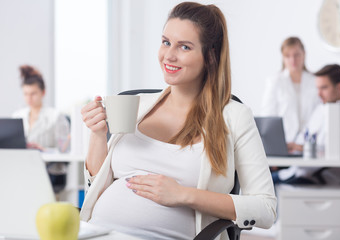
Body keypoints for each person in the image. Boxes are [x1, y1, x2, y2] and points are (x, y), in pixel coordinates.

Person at [80, 2, 276, 240]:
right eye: (165, 42)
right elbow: (96, 186)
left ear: (210, 56)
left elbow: (265, 210)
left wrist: (183, 195)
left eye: (184, 46)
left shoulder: (234, 116)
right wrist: (98, 134)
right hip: (99, 232)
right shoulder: (137, 104)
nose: (169, 55)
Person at [273, 64, 340, 185]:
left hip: (320, 176)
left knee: (265, 185)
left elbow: (336, 151)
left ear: (339, 87)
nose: (319, 94)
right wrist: (290, 149)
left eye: (324, 88)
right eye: (317, 88)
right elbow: (304, 137)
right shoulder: (321, 108)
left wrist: (299, 147)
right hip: (299, 169)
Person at [12, 65, 70, 193]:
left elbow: (65, 149)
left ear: (43, 93)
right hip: (24, 169)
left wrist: (45, 150)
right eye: (26, 94)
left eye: (33, 93)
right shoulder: (17, 116)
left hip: (50, 172)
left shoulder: (56, 116)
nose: (29, 98)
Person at [261, 37, 320, 149]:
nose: (293, 60)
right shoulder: (274, 82)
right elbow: (268, 118)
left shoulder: (316, 81)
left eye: (297, 55)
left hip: (309, 145)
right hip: (283, 145)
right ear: (283, 58)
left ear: (304, 54)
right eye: (287, 56)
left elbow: (319, 115)